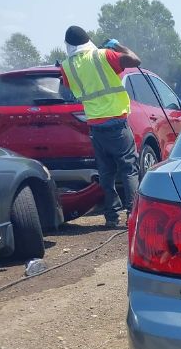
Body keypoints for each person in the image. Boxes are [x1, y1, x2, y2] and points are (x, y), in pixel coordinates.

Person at [60, 25, 141, 227]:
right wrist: (118, 46)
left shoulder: (67, 66)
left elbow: (70, 88)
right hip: (116, 121)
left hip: (95, 125)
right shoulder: (103, 55)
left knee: (106, 174)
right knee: (129, 168)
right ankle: (133, 214)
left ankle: (112, 216)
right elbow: (135, 60)